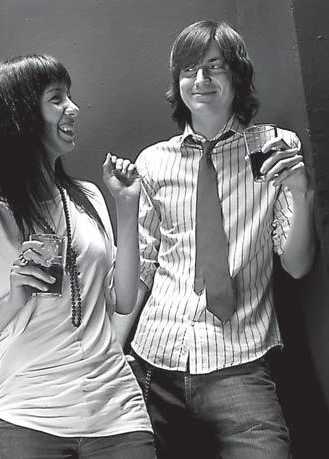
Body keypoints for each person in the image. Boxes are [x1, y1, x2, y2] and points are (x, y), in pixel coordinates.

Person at [112, 20, 316, 459]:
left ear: (237, 74)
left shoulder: (274, 147)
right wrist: (111, 355)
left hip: (239, 362)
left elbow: (297, 265)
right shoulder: (154, 162)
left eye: (214, 66)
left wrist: (302, 193)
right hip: (153, 362)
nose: (200, 79)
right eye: (188, 70)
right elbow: (143, 268)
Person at [0, 54, 156, 459]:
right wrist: (14, 298)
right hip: (29, 415)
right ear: (20, 116)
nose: (73, 108)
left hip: (116, 411)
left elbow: (123, 302)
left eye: (69, 96)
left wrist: (127, 206)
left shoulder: (88, 198)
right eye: (57, 99)